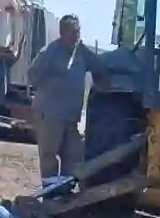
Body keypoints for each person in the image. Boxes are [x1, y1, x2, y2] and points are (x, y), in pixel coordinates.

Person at [27, 14, 109, 187]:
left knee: (73, 155)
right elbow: (33, 75)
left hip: (71, 118)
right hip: (50, 115)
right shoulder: (50, 51)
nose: (76, 36)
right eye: (72, 32)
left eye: (78, 32)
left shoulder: (81, 52)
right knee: (49, 156)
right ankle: (50, 195)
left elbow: (99, 66)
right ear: (62, 33)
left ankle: (65, 193)